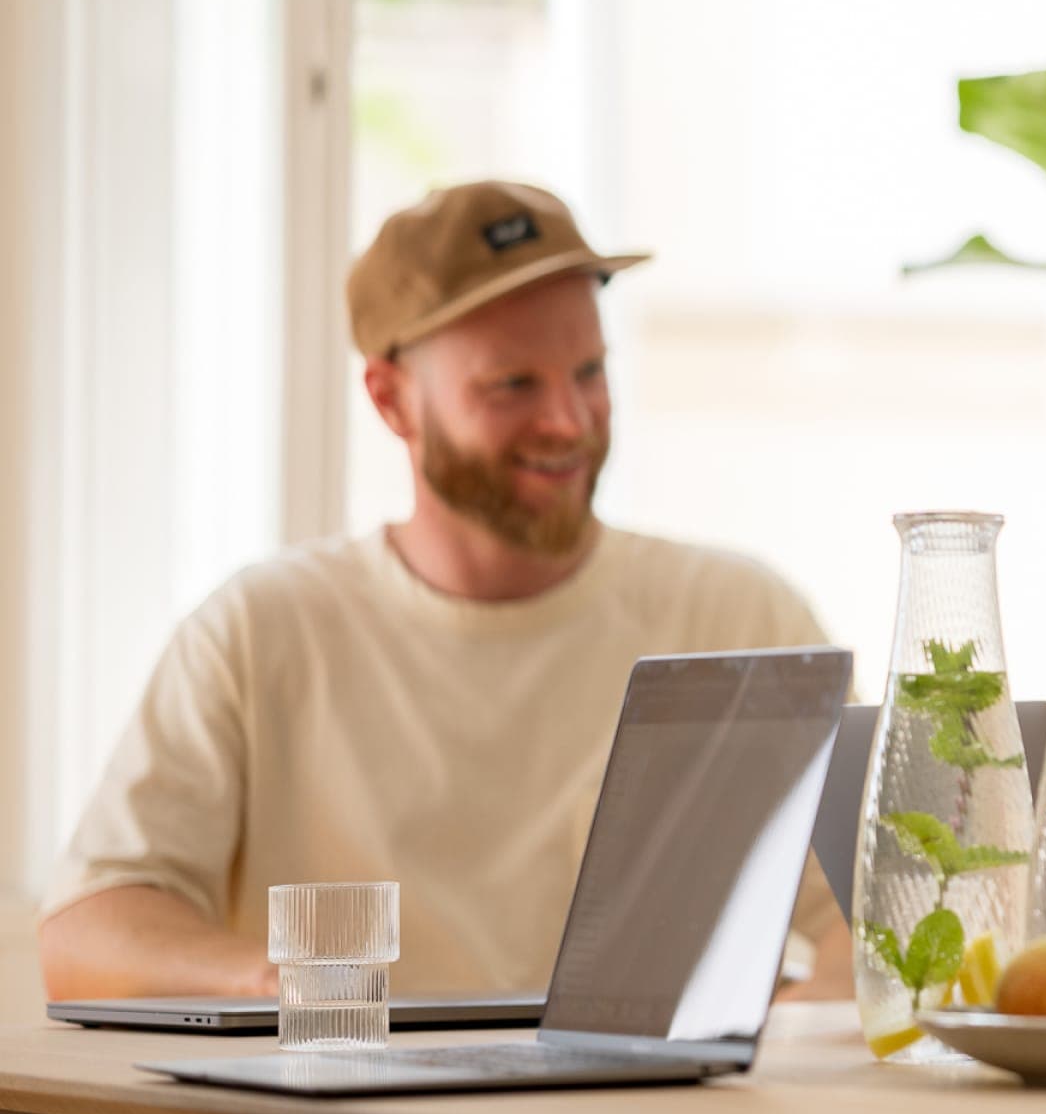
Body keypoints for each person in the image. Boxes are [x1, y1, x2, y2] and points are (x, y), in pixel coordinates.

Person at [38, 181, 853, 1001]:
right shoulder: (261, 631)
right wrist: (298, 985)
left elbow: (891, 915)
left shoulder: (740, 617)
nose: (569, 420)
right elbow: (88, 928)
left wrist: (787, 1031)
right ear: (392, 400)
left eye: (589, 371)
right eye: (513, 385)